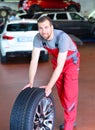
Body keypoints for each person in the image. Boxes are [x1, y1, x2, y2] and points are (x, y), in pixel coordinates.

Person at [24, 16, 80, 130]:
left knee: (69, 94)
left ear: (52, 27)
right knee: (62, 94)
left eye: (46, 27)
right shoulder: (38, 38)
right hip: (57, 61)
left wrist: (49, 86)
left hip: (71, 63)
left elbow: (61, 65)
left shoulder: (62, 37)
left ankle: (69, 124)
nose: (44, 31)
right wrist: (30, 82)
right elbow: (34, 61)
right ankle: (71, 118)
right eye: (40, 28)